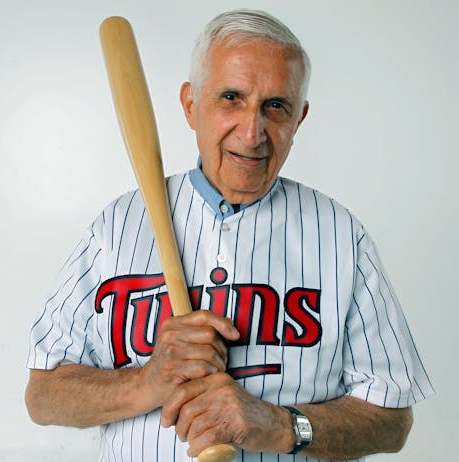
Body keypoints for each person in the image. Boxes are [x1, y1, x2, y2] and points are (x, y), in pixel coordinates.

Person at [25, 9, 434, 461]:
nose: (252, 132)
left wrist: (281, 425)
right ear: (190, 105)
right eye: (232, 98)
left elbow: (392, 420)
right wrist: (147, 381)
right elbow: (43, 394)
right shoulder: (119, 224)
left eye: (275, 106)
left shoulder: (339, 234)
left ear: (299, 118)